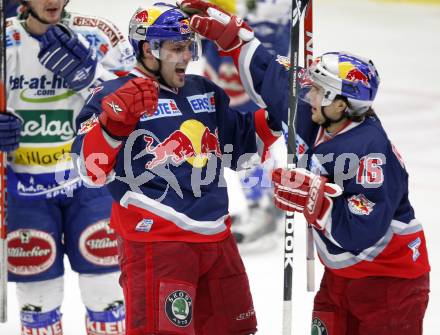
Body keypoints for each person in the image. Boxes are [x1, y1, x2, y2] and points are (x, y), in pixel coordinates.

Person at [177, 2, 431, 332]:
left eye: (321, 92)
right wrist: (238, 39)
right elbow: (274, 78)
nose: (311, 97)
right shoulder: (318, 116)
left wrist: (316, 199)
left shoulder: (368, 151)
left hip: (388, 283)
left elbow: (362, 232)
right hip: (340, 276)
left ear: (343, 104)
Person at [71, 3, 283, 335]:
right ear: (147, 49)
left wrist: (283, 107)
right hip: (157, 244)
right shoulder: (112, 95)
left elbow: (244, 149)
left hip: (218, 240)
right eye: (176, 48)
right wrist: (112, 126)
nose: (186, 57)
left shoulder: (204, 91)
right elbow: (88, 170)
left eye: (190, 47)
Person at [1, 0, 136, 333]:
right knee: (38, 299)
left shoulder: (98, 33)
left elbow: (145, 102)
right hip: (23, 190)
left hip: (91, 185)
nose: (51, 1)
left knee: (107, 294)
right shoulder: (6, 40)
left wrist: (91, 79)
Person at [201, 0, 290, 246]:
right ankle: (264, 204)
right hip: (229, 63)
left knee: (250, 147)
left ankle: (264, 207)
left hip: (253, 62)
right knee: (240, 148)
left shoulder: (273, 15)